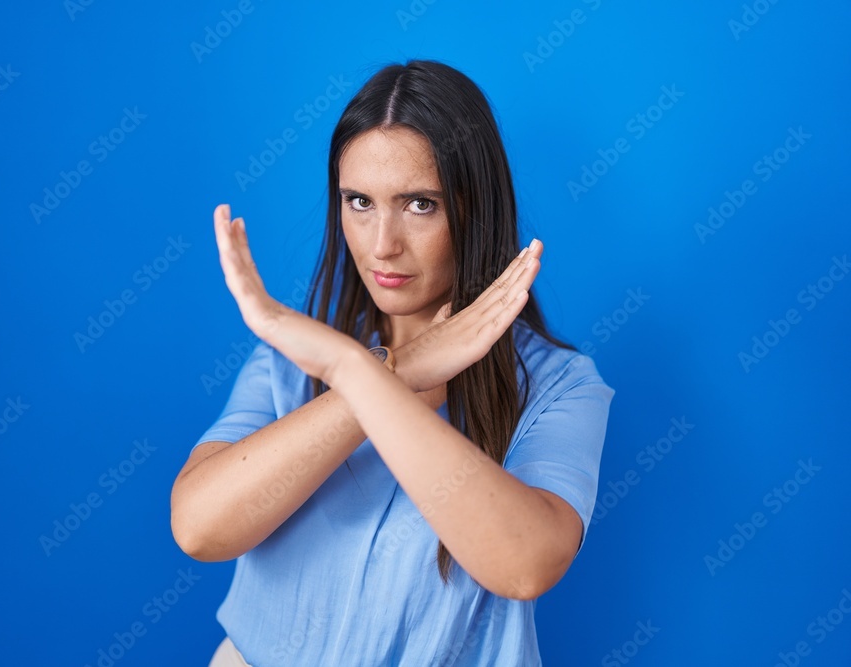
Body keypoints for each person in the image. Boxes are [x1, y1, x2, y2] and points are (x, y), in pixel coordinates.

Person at [171, 59, 614, 666]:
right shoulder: (292, 361)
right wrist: (396, 370)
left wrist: (357, 372)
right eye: (359, 201)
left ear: (473, 207)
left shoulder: (558, 387)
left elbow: (527, 564)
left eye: (420, 205)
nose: (382, 243)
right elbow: (199, 527)